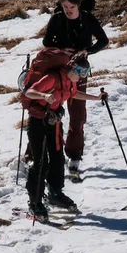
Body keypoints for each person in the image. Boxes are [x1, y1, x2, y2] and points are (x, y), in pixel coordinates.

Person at [41, 0, 108, 183]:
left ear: (79, 5)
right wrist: (60, 50)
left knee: (77, 113)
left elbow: (103, 40)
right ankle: (41, 153)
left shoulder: (87, 18)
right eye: (65, 7)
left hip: (79, 70)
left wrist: (87, 51)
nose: (68, 11)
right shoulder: (57, 18)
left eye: (71, 7)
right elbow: (46, 41)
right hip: (58, 66)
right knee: (50, 109)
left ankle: (74, 155)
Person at [20, 47, 79, 221]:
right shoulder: (52, 78)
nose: (82, 76)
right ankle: (34, 202)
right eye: (80, 71)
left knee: (57, 158)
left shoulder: (70, 82)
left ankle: (55, 193)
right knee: (40, 162)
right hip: (38, 122)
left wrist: (97, 98)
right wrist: (44, 95)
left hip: (54, 123)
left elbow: (74, 94)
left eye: (85, 72)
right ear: (71, 69)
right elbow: (29, 92)